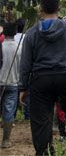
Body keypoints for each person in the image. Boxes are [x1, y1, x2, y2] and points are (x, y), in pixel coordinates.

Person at [18, 0, 66, 156]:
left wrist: (23, 87)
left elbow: (26, 63)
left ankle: (45, 152)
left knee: (41, 121)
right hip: (64, 76)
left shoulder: (32, 33)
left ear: (41, 8)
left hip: (40, 79)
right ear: (59, 8)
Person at [0, 21, 22, 149]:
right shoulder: (20, 48)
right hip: (13, 83)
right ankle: (5, 140)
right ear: (15, 32)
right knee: (9, 111)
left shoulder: (0, 46)